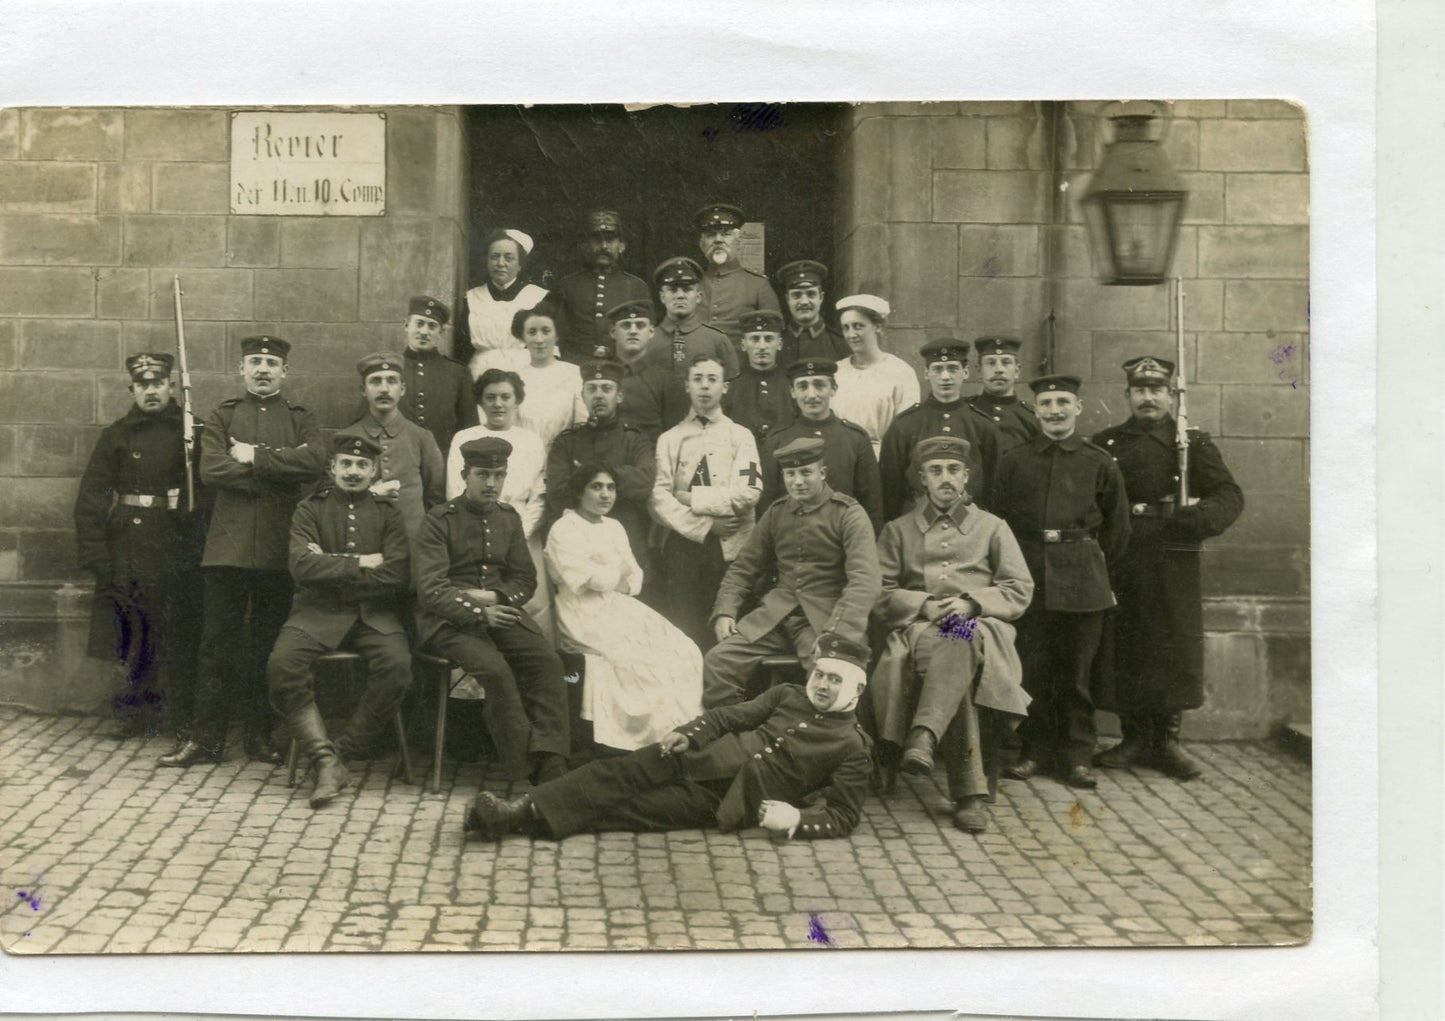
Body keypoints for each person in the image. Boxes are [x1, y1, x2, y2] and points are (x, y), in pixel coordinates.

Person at [462, 633, 873, 843]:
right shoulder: (788, 694)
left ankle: (513, 819)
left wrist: (797, 820)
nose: (821, 685)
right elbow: (729, 715)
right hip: (700, 757)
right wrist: (688, 734)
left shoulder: (851, 746)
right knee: (614, 773)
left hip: (726, 799)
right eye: (819, 674)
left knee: (634, 811)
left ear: (854, 689)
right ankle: (516, 811)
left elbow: (843, 816)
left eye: (835, 680)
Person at [162, 336, 323, 767]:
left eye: (272, 363)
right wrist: (276, 471)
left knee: (269, 647)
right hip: (227, 548)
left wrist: (254, 456)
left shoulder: (300, 418)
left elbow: (314, 464)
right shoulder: (223, 414)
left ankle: (260, 735)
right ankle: (207, 740)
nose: (263, 369)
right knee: (216, 645)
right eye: (255, 362)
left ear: (284, 372)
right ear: (241, 369)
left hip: (276, 548)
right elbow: (212, 469)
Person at [1091, 355, 1244, 780]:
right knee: (1129, 642)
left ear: (1170, 394)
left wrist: (1198, 520)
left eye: (1156, 390)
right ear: (1127, 395)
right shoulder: (1107, 444)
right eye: (1140, 390)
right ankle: (1135, 736)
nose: (1148, 398)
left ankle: (1166, 741)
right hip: (1126, 554)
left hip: (1174, 553)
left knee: (1172, 644)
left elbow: (1229, 493)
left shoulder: (1191, 444)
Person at [870, 436, 1034, 833]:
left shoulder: (993, 527)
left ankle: (923, 736)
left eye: (953, 470)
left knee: (958, 636)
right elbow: (879, 592)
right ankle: (968, 795)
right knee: (954, 662)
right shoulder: (898, 530)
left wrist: (974, 603)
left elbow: (1019, 587)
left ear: (966, 477)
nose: (945, 478)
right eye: (935, 470)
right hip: (919, 631)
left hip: (981, 630)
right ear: (922, 479)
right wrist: (923, 605)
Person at [988, 375, 1130, 790]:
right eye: (1046, 403)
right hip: (1028, 575)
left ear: (1078, 408)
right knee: (1032, 667)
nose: (1054, 410)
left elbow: (1117, 532)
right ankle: (1035, 750)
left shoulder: (1098, 462)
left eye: (1063, 402)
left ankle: (1077, 756)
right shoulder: (1015, 461)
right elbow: (998, 521)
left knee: (1076, 674)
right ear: (1036, 410)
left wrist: (1091, 568)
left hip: (1082, 580)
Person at [264, 434, 412, 808]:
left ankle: (338, 756)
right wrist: (362, 561)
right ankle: (323, 757)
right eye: (345, 463)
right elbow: (300, 566)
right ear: (331, 468)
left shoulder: (387, 514)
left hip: (372, 614)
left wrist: (326, 562)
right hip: (316, 612)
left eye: (362, 465)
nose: (353, 471)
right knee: (282, 665)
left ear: (374, 471)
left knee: (397, 666)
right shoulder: (309, 509)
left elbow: (395, 574)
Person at [414, 436, 570, 786]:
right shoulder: (439, 520)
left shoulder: (508, 518)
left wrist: (494, 598)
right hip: (447, 623)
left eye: (499, 476)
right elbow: (432, 590)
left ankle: (552, 761)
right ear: (465, 475)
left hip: (499, 613)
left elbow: (524, 579)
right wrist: (479, 612)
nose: (491, 484)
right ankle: (524, 769)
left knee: (548, 663)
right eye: (483, 475)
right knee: (497, 672)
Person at [73, 352, 206, 741]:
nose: (151, 391)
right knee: (136, 631)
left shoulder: (193, 431)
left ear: (171, 385)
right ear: (133, 389)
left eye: (158, 383)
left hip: (178, 543)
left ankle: (180, 713)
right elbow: (92, 498)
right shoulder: (117, 435)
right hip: (130, 545)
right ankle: (135, 710)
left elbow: (210, 488)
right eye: (143, 385)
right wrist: (97, 555)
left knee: (180, 630)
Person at [703, 437, 882, 708]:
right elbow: (744, 566)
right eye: (790, 474)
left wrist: (835, 634)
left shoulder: (848, 514)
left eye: (806, 472)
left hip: (824, 620)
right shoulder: (777, 512)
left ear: (822, 473)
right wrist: (726, 609)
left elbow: (865, 581)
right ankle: (729, 735)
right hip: (775, 617)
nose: (797, 481)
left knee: (828, 673)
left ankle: (818, 746)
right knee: (719, 661)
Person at [545, 463, 703, 751]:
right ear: (580, 492)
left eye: (611, 487)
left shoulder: (615, 527)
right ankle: (641, 744)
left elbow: (636, 578)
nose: (605, 495)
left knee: (685, 650)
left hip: (621, 607)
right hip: (582, 614)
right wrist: (613, 575)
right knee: (642, 663)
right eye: (596, 487)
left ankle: (679, 737)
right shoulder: (563, 529)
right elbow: (585, 580)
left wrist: (613, 577)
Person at [649, 354, 763, 652]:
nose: (704, 386)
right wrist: (706, 524)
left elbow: (748, 492)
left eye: (712, 379)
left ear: (725, 387)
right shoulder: (669, 439)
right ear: (686, 385)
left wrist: (692, 497)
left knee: (728, 626)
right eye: (697, 379)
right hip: (685, 546)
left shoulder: (740, 436)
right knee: (685, 627)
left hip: (731, 546)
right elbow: (659, 498)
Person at [446, 369, 552, 641]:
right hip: (473, 531)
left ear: (517, 402)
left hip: (523, 533)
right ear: (480, 403)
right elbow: (456, 490)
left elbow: (539, 495)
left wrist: (518, 531)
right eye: (490, 397)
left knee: (532, 603)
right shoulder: (464, 438)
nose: (498, 404)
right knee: (476, 598)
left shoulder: (532, 441)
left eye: (506, 397)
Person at [544, 360, 656, 569]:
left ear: (619, 396)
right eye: (592, 389)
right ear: (583, 396)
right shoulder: (566, 442)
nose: (599, 395)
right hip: (578, 544)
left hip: (627, 540)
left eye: (607, 389)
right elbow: (557, 494)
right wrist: (617, 480)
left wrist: (586, 477)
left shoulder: (634, 440)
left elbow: (645, 481)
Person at [757, 358, 884, 533]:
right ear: (792, 392)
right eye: (802, 387)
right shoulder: (777, 439)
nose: (811, 395)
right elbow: (766, 504)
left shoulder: (854, 438)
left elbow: (872, 505)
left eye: (819, 385)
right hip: (791, 538)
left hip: (842, 537)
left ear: (833, 389)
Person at [879, 338, 1000, 520]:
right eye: (937, 369)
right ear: (926, 373)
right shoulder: (904, 425)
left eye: (952, 369)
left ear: (965, 372)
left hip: (971, 524)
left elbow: (994, 485)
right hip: (917, 523)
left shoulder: (983, 425)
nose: (945, 377)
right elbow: (890, 487)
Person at [341, 352, 446, 541]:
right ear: (363, 390)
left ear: (403, 389)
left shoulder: (422, 438)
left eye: (392, 381)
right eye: (375, 381)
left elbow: (435, 498)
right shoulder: (346, 437)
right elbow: (335, 499)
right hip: (362, 541)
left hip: (411, 542)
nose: (384, 389)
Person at [554, 209, 652, 365]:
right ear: (587, 245)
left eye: (610, 240)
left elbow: (646, 337)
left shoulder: (637, 287)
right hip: (575, 367)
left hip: (621, 367)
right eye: (597, 240)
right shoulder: (568, 285)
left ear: (621, 246)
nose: (604, 246)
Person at [387, 296, 478, 459]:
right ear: (406, 325)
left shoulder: (457, 372)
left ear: (441, 332)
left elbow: (469, 428)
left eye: (432, 326)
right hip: (396, 461)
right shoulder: (387, 370)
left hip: (441, 462)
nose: (424, 332)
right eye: (419, 323)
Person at [830, 294, 921, 458]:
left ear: (877, 327)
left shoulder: (900, 372)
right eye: (846, 327)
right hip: (840, 457)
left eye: (858, 326)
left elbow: (907, 429)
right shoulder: (836, 371)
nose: (851, 334)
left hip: (883, 459)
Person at [459, 228, 550, 375]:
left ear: (520, 265)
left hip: (525, 374)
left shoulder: (537, 297)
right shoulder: (472, 298)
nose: (500, 263)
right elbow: (462, 350)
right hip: (480, 374)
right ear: (487, 261)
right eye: (494, 257)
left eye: (509, 258)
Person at [694, 202, 779, 345]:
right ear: (702, 243)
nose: (718, 240)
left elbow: (773, 338)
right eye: (711, 235)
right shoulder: (692, 284)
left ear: (738, 241)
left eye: (726, 234)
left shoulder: (759, 286)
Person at [602, 298, 687, 440]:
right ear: (613, 332)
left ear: (651, 332)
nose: (633, 331)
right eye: (626, 326)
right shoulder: (599, 375)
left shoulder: (665, 380)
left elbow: (674, 435)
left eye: (640, 325)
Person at [510, 302, 587, 452]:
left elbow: (582, 424)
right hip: (524, 456)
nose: (539, 339)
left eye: (546, 331)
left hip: (563, 457)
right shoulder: (514, 378)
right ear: (523, 338)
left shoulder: (574, 374)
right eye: (532, 332)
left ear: (557, 335)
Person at [649, 256, 739, 381]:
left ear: (698, 297)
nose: (680, 296)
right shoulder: (647, 341)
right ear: (662, 297)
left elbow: (731, 390)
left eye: (687, 290)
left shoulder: (718, 340)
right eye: (673, 290)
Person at [723, 308, 796, 446]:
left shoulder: (791, 385)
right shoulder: (731, 387)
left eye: (768, 339)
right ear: (743, 345)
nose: (762, 346)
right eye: (755, 339)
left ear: (779, 344)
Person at [966, 335, 1041, 452]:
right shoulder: (965, 412)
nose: (999, 369)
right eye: (991, 363)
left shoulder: (1032, 418)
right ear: (979, 371)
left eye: (1006, 362)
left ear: (1017, 371)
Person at [775, 260, 849, 366]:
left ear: (821, 298)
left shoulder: (841, 344)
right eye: (796, 295)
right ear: (787, 300)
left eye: (811, 294)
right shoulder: (775, 345)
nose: (804, 302)